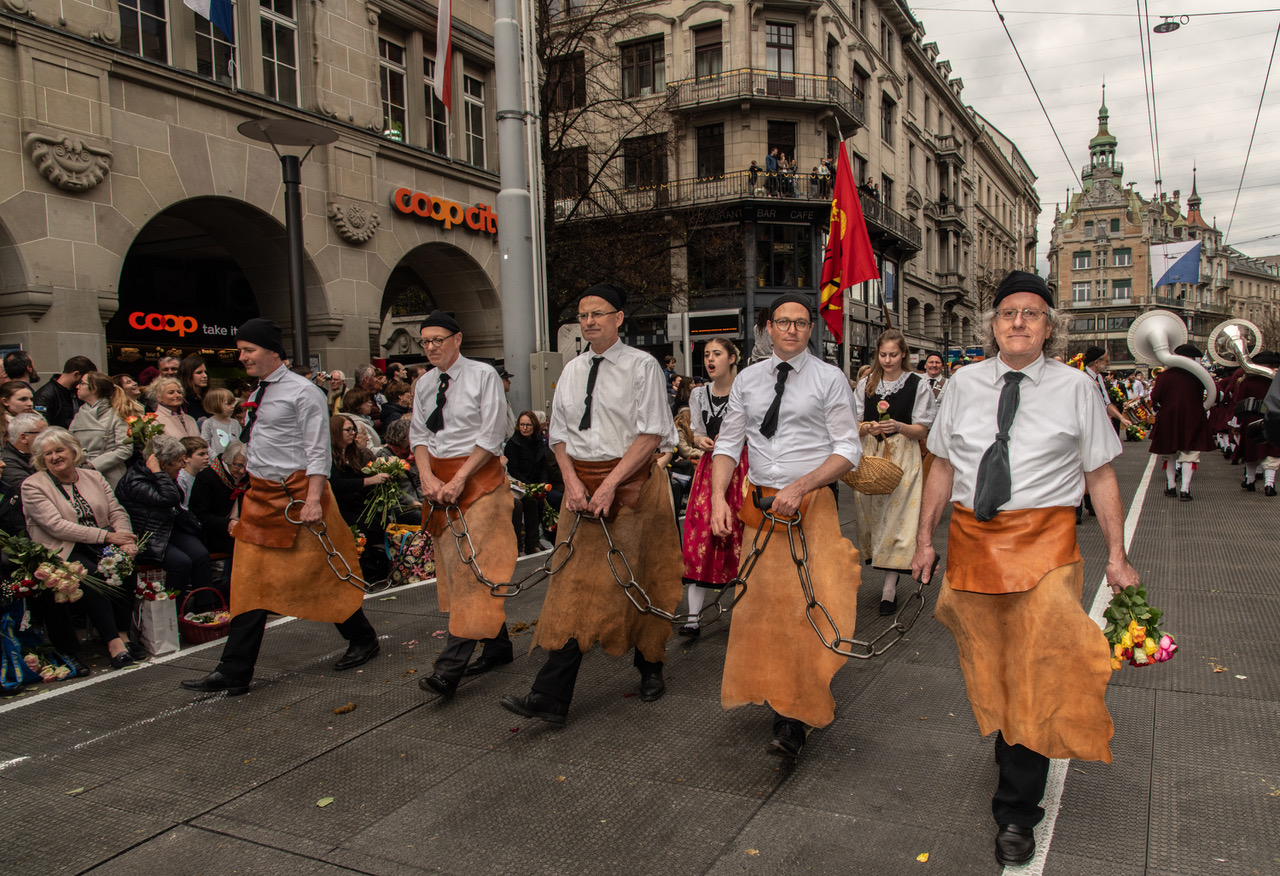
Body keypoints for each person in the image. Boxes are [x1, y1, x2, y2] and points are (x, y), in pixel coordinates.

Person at [910, 270, 1139, 866]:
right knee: (992, 664)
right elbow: (941, 465)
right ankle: (1014, 735)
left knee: (1037, 668)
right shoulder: (962, 384)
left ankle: (1016, 810)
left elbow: (1099, 474)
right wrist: (924, 540)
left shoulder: (1076, 388)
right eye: (1008, 312)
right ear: (992, 325)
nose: (1018, 322)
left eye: (1031, 313)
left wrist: (1117, 557)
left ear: (1048, 328)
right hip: (974, 543)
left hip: (1047, 547)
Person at [500, 283, 680, 724]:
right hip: (580, 488)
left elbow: (652, 434)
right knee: (572, 586)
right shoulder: (572, 370)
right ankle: (550, 697)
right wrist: (571, 482)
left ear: (619, 318)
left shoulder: (642, 365)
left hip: (634, 486)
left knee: (642, 578)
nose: (589, 321)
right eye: (583, 315)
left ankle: (650, 666)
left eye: (598, 313)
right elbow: (559, 434)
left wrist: (611, 485)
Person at [180, 318, 379, 697]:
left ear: (273, 351)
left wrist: (314, 499)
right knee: (248, 581)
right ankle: (234, 670)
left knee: (324, 572)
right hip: (261, 498)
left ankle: (363, 637)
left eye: (249, 350)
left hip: (298, 497)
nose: (242, 357)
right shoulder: (261, 390)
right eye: (240, 350)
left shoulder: (304, 392)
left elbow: (318, 450)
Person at [710, 294, 861, 759]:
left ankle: (793, 717)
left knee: (805, 608)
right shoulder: (748, 380)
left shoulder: (829, 378)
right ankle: (776, 695)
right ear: (768, 328)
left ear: (811, 329)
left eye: (800, 322)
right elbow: (728, 444)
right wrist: (718, 498)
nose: (792, 329)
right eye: (783, 322)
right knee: (761, 610)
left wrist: (801, 486)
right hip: (759, 508)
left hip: (812, 505)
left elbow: (848, 449)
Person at [411, 310, 516, 697]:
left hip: (480, 480)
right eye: (425, 341)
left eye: (437, 339)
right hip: (439, 484)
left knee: (474, 570)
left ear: (457, 339)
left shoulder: (483, 375)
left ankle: (448, 670)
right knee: (459, 571)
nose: (431, 347)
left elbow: (492, 434)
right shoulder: (425, 383)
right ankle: (498, 644)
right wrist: (427, 477)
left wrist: (458, 479)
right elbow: (419, 436)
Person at [21, 427, 141, 669]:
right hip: (61, 548)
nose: (54, 457)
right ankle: (113, 643)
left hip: (100, 543)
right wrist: (108, 536)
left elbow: (116, 511)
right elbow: (56, 526)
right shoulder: (32, 485)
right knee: (91, 575)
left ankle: (123, 633)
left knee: (125, 566)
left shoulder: (93, 477)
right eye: (47, 454)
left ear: (73, 451)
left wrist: (126, 540)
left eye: (59, 450)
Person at [853, 329, 937, 615]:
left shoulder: (917, 384)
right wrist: (865, 427)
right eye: (883, 355)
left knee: (900, 518)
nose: (887, 360)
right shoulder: (866, 383)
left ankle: (889, 588)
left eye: (893, 355)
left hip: (903, 455)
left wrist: (899, 426)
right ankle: (881, 567)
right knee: (871, 515)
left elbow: (922, 429)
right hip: (871, 455)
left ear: (904, 355)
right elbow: (854, 422)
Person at [679, 337, 747, 638]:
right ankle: (692, 617)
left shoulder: (746, 390)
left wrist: (739, 439)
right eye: (707, 354)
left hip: (741, 467)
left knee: (742, 534)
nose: (710, 359)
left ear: (732, 358)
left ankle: (745, 614)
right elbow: (696, 432)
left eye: (717, 354)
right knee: (699, 534)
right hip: (709, 470)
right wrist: (700, 441)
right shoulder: (699, 394)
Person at [116, 434, 215, 606]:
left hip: (166, 528)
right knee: (181, 563)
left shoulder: (165, 475)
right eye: (178, 461)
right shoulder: (135, 480)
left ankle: (205, 609)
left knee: (200, 555)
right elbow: (170, 498)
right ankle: (172, 613)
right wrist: (158, 473)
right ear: (162, 464)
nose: (183, 465)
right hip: (147, 536)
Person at [1146, 345, 1214, 501]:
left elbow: (1155, 396)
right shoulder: (1199, 375)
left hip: (1169, 417)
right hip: (1193, 417)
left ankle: (1171, 487)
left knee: (1169, 454)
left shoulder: (1165, 376)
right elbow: (1215, 393)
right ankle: (1185, 490)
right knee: (1190, 454)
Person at [327, 415, 390, 582]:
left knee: (381, 520)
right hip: (341, 506)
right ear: (336, 432)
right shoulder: (328, 457)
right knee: (365, 526)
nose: (352, 433)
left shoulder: (355, 453)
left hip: (359, 502)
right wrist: (368, 481)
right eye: (348, 430)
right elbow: (335, 484)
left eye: (353, 430)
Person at [189, 440, 248, 586]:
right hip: (213, 532)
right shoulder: (208, 477)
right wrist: (228, 523)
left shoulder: (247, 478)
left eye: (246, 466)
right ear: (226, 460)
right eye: (238, 465)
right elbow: (199, 514)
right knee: (246, 545)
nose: (242, 471)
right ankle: (230, 587)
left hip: (241, 529)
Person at [69, 371, 135, 489]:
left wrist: (94, 464)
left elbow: (125, 449)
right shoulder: (80, 414)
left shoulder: (116, 415)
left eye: (82, 383)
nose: (77, 386)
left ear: (94, 389)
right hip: (82, 474)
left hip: (110, 476)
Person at [506, 410, 557, 555]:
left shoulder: (539, 442)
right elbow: (514, 471)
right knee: (529, 502)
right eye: (522, 424)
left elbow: (543, 467)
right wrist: (530, 486)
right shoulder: (513, 444)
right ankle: (525, 544)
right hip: (520, 485)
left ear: (534, 426)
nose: (524, 428)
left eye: (528, 425)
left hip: (537, 484)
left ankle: (542, 541)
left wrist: (543, 484)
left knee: (556, 499)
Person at [1234, 353, 1280, 495]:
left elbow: (1239, 402)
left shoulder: (1247, 382)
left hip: (1251, 418)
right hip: (1274, 417)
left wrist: (1236, 423)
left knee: (1251, 452)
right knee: (1272, 452)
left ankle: (1250, 480)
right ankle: (1269, 484)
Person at [32, 355, 96, 429]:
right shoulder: (45, 395)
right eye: (84, 380)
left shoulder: (77, 392)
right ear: (76, 375)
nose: (82, 385)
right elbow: (41, 426)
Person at [199, 388, 242, 458]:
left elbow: (240, 442)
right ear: (215, 404)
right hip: (216, 461)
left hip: (233, 460)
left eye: (233, 403)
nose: (233, 406)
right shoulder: (209, 423)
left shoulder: (235, 423)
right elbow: (204, 443)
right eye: (229, 404)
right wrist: (215, 457)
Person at [177, 436, 210, 507]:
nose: (207, 457)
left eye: (207, 453)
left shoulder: (204, 476)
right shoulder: (181, 478)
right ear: (186, 458)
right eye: (201, 454)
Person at [0, 379, 35, 444]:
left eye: (31, 399)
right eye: (23, 399)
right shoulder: (3, 426)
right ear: (5, 401)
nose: (30, 404)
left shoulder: (38, 420)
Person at [178, 355, 210, 422]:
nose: (205, 376)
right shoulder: (182, 400)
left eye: (205, 372)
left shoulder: (209, 397)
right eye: (199, 373)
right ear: (187, 375)